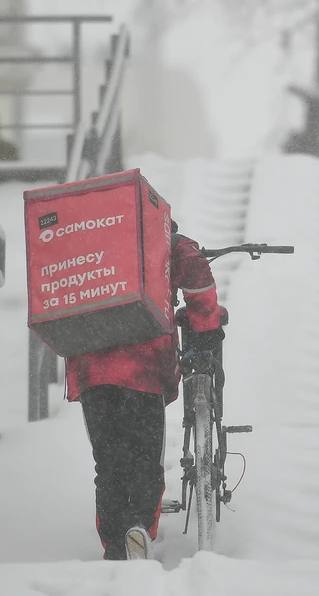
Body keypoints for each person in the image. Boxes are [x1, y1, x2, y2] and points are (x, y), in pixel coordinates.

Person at [64, 222, 225, 561]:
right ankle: (137, 528)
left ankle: (113, 545)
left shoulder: (83, 242)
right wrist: (208, 327)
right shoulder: (166, 242)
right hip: (142, 366)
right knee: (144, 458)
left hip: (91, 366)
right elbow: (199, 282)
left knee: (108, 460)